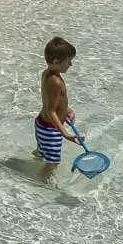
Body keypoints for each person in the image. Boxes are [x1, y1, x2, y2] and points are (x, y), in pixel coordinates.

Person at [37, 35, 78, 182]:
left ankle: (37, 163)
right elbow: (51, 111)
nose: (70, 65)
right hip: (50, 129)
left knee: (42, 153)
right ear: (56, 61)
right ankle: (39, 185)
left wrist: (66, 110)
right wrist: (65, 133)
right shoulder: (55, 81)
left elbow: (51, 100)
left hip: (42, 124)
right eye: (68, 61)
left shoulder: (47, 73)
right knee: (53, 162)